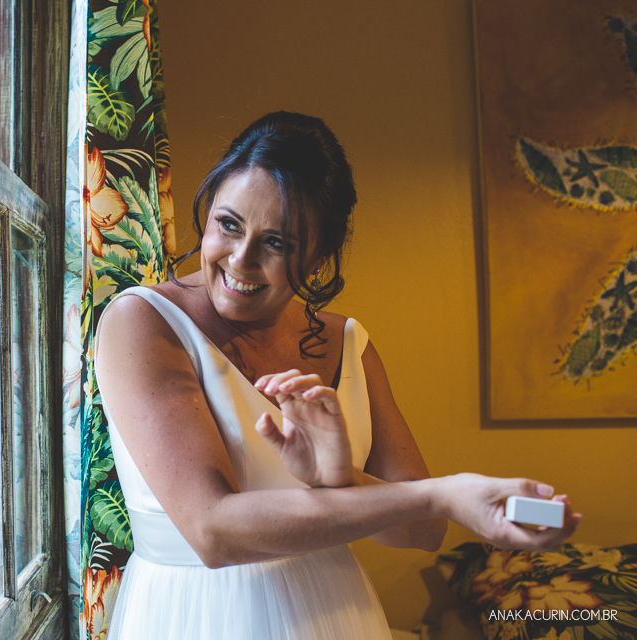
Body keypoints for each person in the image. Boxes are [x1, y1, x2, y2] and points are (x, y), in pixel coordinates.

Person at [93, 111, 581, 639]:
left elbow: (420, 531)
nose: (241, 259)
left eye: (277, 242)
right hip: (199, 617)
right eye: (228, 224)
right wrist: (445, 492)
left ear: (322, 254)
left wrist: (339, 476)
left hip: (334, 613)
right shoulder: (141, 323)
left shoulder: (348, 342)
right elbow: (211, 532)